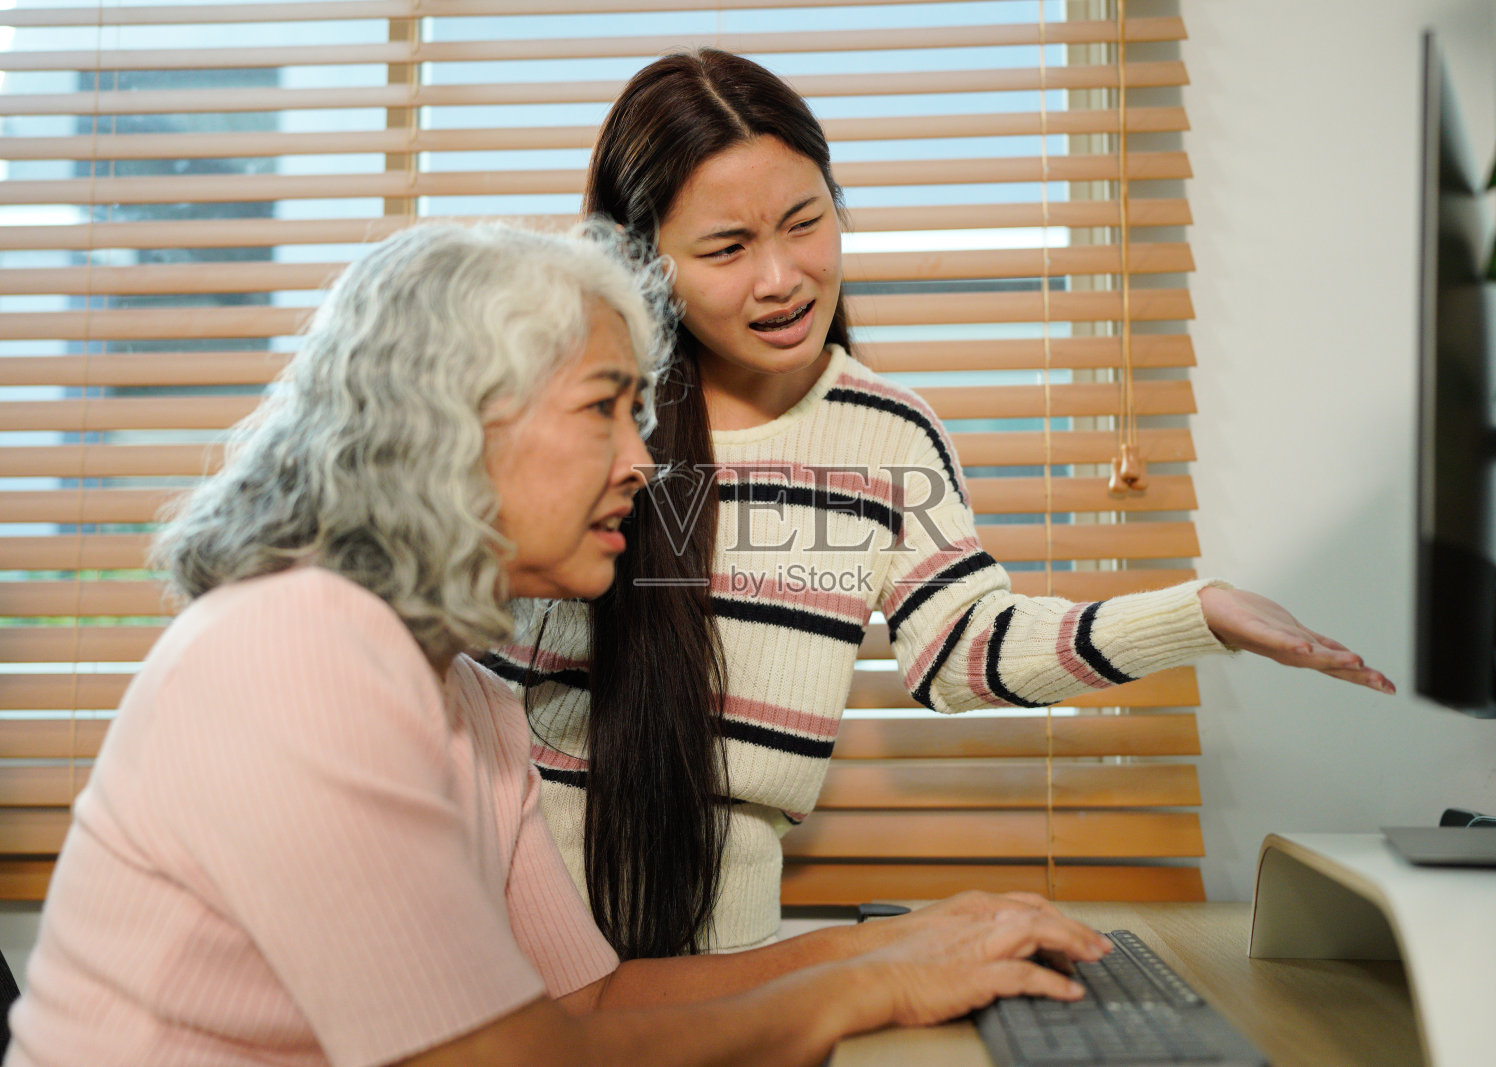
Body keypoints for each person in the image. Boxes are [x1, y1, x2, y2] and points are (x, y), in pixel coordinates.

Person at [2, 221, 1117, 1067]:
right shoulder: (292, 649)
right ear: (448, 422)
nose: (642, 461)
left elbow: (588, 1002)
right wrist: (870, 988)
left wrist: (887, 946)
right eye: (602, 409)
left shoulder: (474, 701)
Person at [487, 49, 1399, 960]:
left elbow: (962, 649)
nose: (781, 277)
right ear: (644, 262)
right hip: (513, 902)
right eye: (728, 249)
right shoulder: (594, 406)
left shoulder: (888, 434)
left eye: (804, 223)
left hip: (730, 942)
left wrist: (1200, 613)